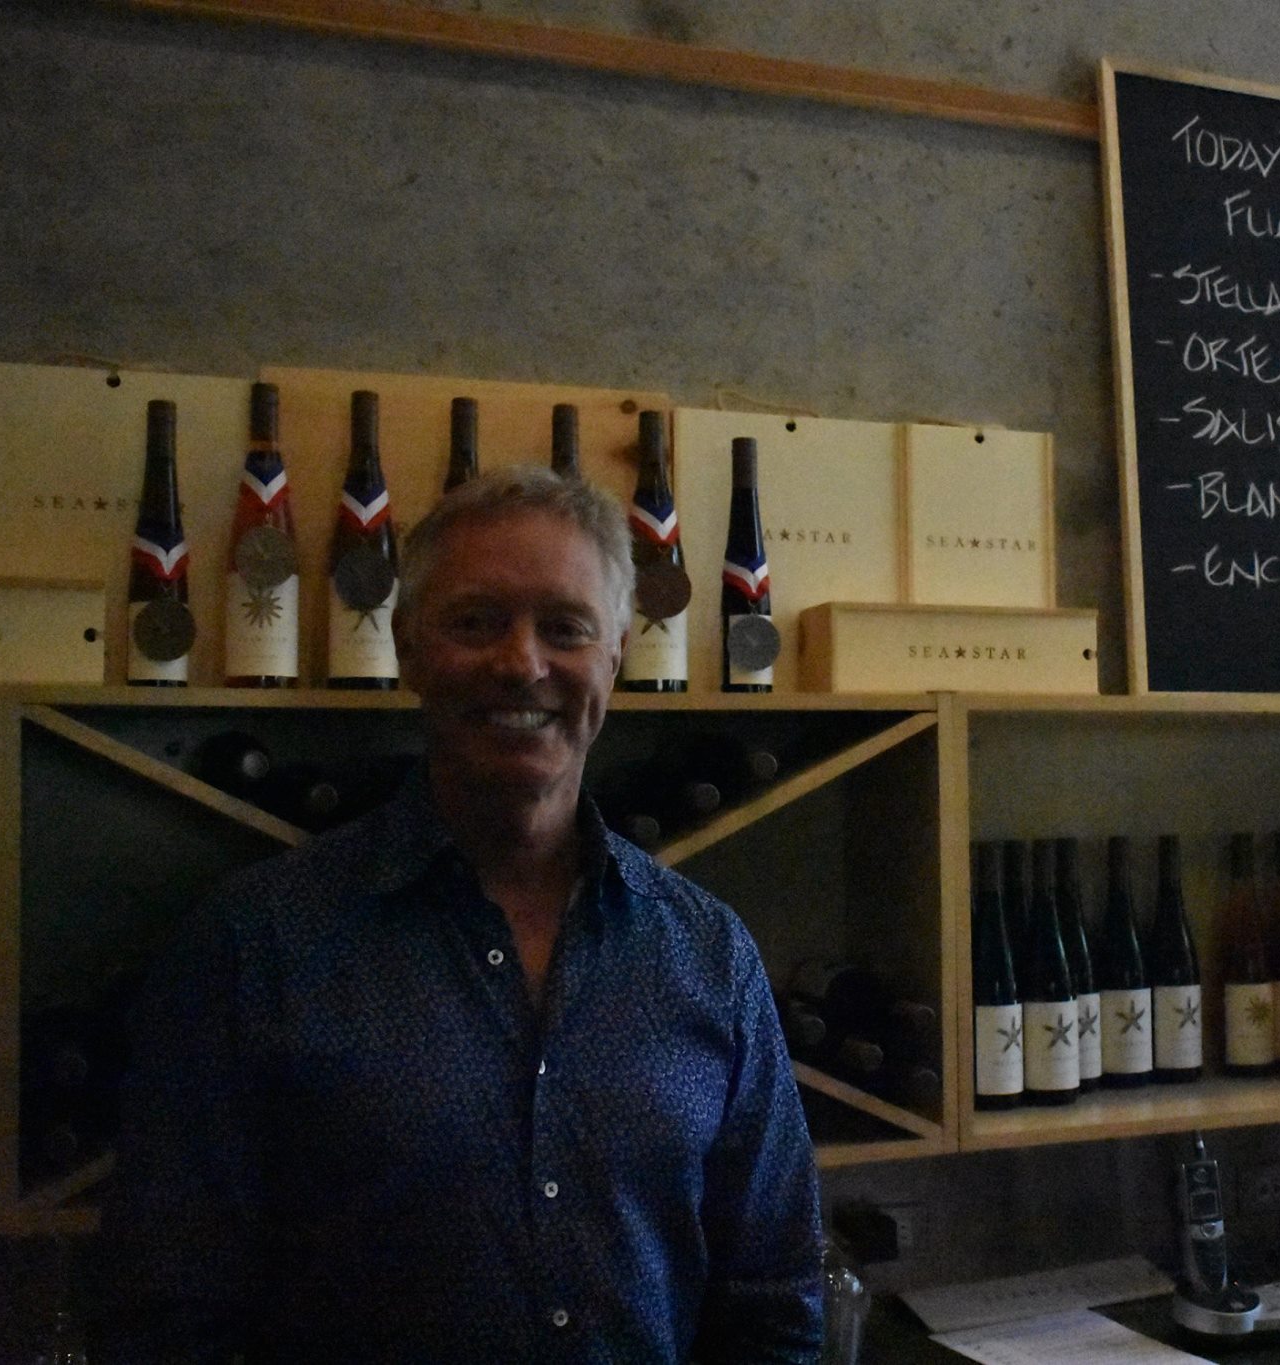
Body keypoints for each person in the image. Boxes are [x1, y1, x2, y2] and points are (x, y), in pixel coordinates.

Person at [98, 465, 823, 1363]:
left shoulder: (711, 953)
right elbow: (165, 1312)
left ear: (616, 655)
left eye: (565, 627)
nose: (522, 662)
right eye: (476, 622)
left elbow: (773, 1296)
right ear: (407, 648)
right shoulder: (255, 944)